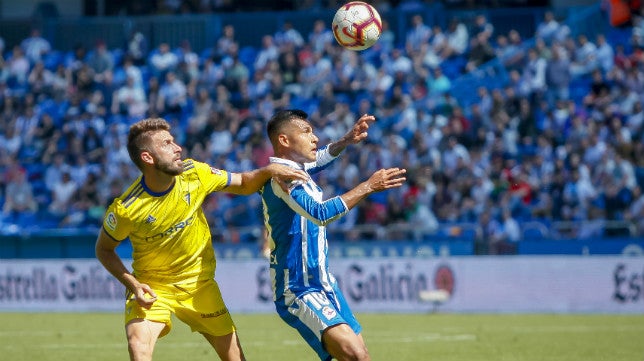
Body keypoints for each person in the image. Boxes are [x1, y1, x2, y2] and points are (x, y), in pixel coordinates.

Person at [94, 117, 308, 361]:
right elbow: (104, 250)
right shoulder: (126, 209)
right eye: (166, 144)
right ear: (147, 158)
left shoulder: (194, 173)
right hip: (152, 286)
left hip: (199, 285)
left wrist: (268, 171)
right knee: (138, 346)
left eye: (174, 141)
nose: (178, 148)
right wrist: (133, 285)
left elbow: (243, 183)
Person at [260, 110, 407, 361]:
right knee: (355, 355)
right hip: (298, 287)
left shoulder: (297, 169)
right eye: (306, 132)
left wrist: (346, 140)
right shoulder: (282, 176)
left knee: (360, 356)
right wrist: (368, 186)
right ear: (284, 140)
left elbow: (319, 159)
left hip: (323, 282)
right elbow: (319, 213)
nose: (315, 137)